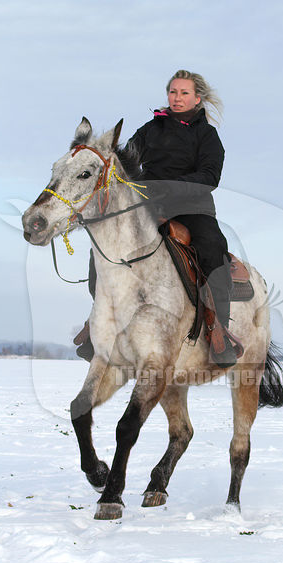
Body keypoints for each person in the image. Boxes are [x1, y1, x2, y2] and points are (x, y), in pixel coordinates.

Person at [75, 69, 237, 367]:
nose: (177, 98)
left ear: (197, 98)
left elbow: (209, 175)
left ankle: (218, 331)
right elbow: (125, 161)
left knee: (213, 248)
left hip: (193, 207)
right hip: (147, 207)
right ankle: (97, 323)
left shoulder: (207, 135)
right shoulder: (150, 129)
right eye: (173, 92)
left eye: (184, 93)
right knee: (104, 249)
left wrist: (167, 190)